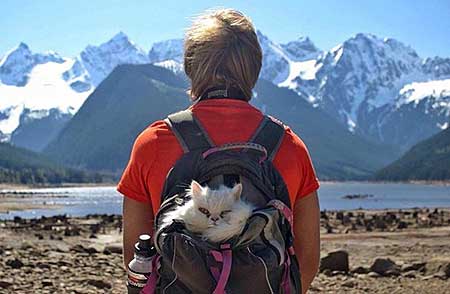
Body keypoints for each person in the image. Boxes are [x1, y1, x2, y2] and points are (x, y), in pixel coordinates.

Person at [117, 8, 320, 293]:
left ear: (190, 67)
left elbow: (137, 257)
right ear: (255, 70)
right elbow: (307, 262)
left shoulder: (152, 143)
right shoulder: (289, 146)